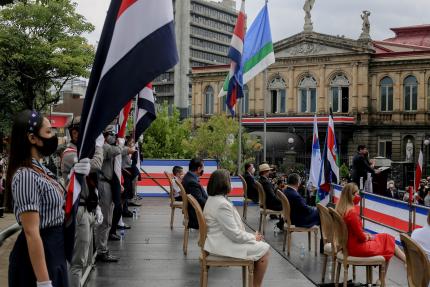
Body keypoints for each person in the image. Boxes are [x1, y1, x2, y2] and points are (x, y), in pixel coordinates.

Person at [5, 110, 87, 287]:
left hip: (53, 251)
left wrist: (76, 176)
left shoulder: (42, 171)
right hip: (38, 259)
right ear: (32, 138)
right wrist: (43, 281)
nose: (53, 136)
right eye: (49, 131)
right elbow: (31, 232)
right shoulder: (25, 175)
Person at [203, 169, 270, 287]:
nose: (231, 183)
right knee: (264, 249)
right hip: (223, 245)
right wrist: (253, 237)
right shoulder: (221, 204)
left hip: (218, 241)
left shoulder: (214, 199)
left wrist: (251, 237)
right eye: (229, 180)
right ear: (224, 183)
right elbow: (235, 235)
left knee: (259, 247)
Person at [61, 117, 104, 287]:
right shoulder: (70, 153)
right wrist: (99, 146)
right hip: (78, 210)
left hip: (88, 207)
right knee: (77, 262)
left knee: (85, 259)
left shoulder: (83, 152)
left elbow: (91, 183)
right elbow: (96, 165)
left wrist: (98, 205)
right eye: (75, 131)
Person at [336, 183, 405, 265]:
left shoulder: (341, 210)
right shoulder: (352, 214)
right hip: (357, 248)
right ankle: (407, 262)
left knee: (386, 238)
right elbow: (361, 238)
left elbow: (354, 232)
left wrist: (365, 235)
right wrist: (367, 236)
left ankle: (406, 262)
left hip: (348, 246)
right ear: (352, 196)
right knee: (388, 241)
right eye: (357, 194)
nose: (359, 196)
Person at [95, 125, 132, 262]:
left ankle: (101, 247)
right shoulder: (103, 147)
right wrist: (125, 146)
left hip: (109, 183)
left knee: (107, 218)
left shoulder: (105, 145)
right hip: (104, 183)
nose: (112, 137)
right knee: (105, 219)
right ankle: (101, 250)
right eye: (110, 134)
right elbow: (114, 151)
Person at [182, 158, 207, 229]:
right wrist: (212, 204)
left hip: (195, 212)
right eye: (203, 168)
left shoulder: (189, 177)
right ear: (199, 169)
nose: (203, 170)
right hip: (196, 217)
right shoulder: (192, 182)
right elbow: (199, 200)